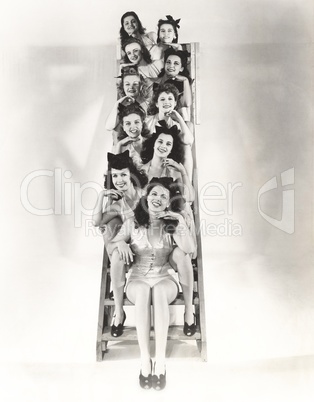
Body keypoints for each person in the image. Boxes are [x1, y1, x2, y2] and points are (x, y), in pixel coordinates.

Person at [107, 177, 195, 390]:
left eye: (163, 196)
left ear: (168, 202)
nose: (158, 198)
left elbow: (189, 248)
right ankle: (145, 360)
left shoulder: (171, 224)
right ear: (146, 197)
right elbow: (112, 244)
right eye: (154, 194)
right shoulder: (132, 222)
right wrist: (120, 242)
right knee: (145, 290)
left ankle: (161, 362)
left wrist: (180, 221)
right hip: (138, 278)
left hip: (165, 277)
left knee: (158, 289)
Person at [92, 151, 148, 337]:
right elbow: (96, 222)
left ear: (131, 174)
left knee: (118, 247)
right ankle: (119, 312)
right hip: (131, 250)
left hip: (150, 245)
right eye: (114, 176)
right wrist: (102, 195)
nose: (119, 180)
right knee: (116, 254)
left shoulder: (145, 194)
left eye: (123, 174)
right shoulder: (118, 205)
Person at [146, 83, 194, 179]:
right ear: (156, 104)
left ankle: (187, 184)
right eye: (162, 99)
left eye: (170, 99)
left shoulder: (177, 124)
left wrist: (179, 118)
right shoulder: (148, 121)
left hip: (169, 161)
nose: (166, 102)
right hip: (151, 159)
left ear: (175, 103)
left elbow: (189, 141)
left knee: (186, 147)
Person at [105, 66, 152, 132]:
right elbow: (109, 127)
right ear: (122, 86)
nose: (131, 87)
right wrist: (117, 105)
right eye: (127, 84)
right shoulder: (121, 104)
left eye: (135, 84)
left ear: (141, 86)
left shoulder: (147, 104)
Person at [155, 48, 192, 124]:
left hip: (173, 121)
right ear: (164, 64)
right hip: (155, 119)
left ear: (181, 69)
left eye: (176, 63)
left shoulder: (180, 85)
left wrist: (185, 80)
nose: (171, 66)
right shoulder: (153, 82)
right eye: (168, 62)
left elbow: (187, 103)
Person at [111, 102, 150, 168]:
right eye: (128, 123)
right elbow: (116, 170)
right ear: (123, 127)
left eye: (136, 122)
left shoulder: (152, 142)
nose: (133, 127)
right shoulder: (120, 147)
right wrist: (119, 144)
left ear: (142, 124)